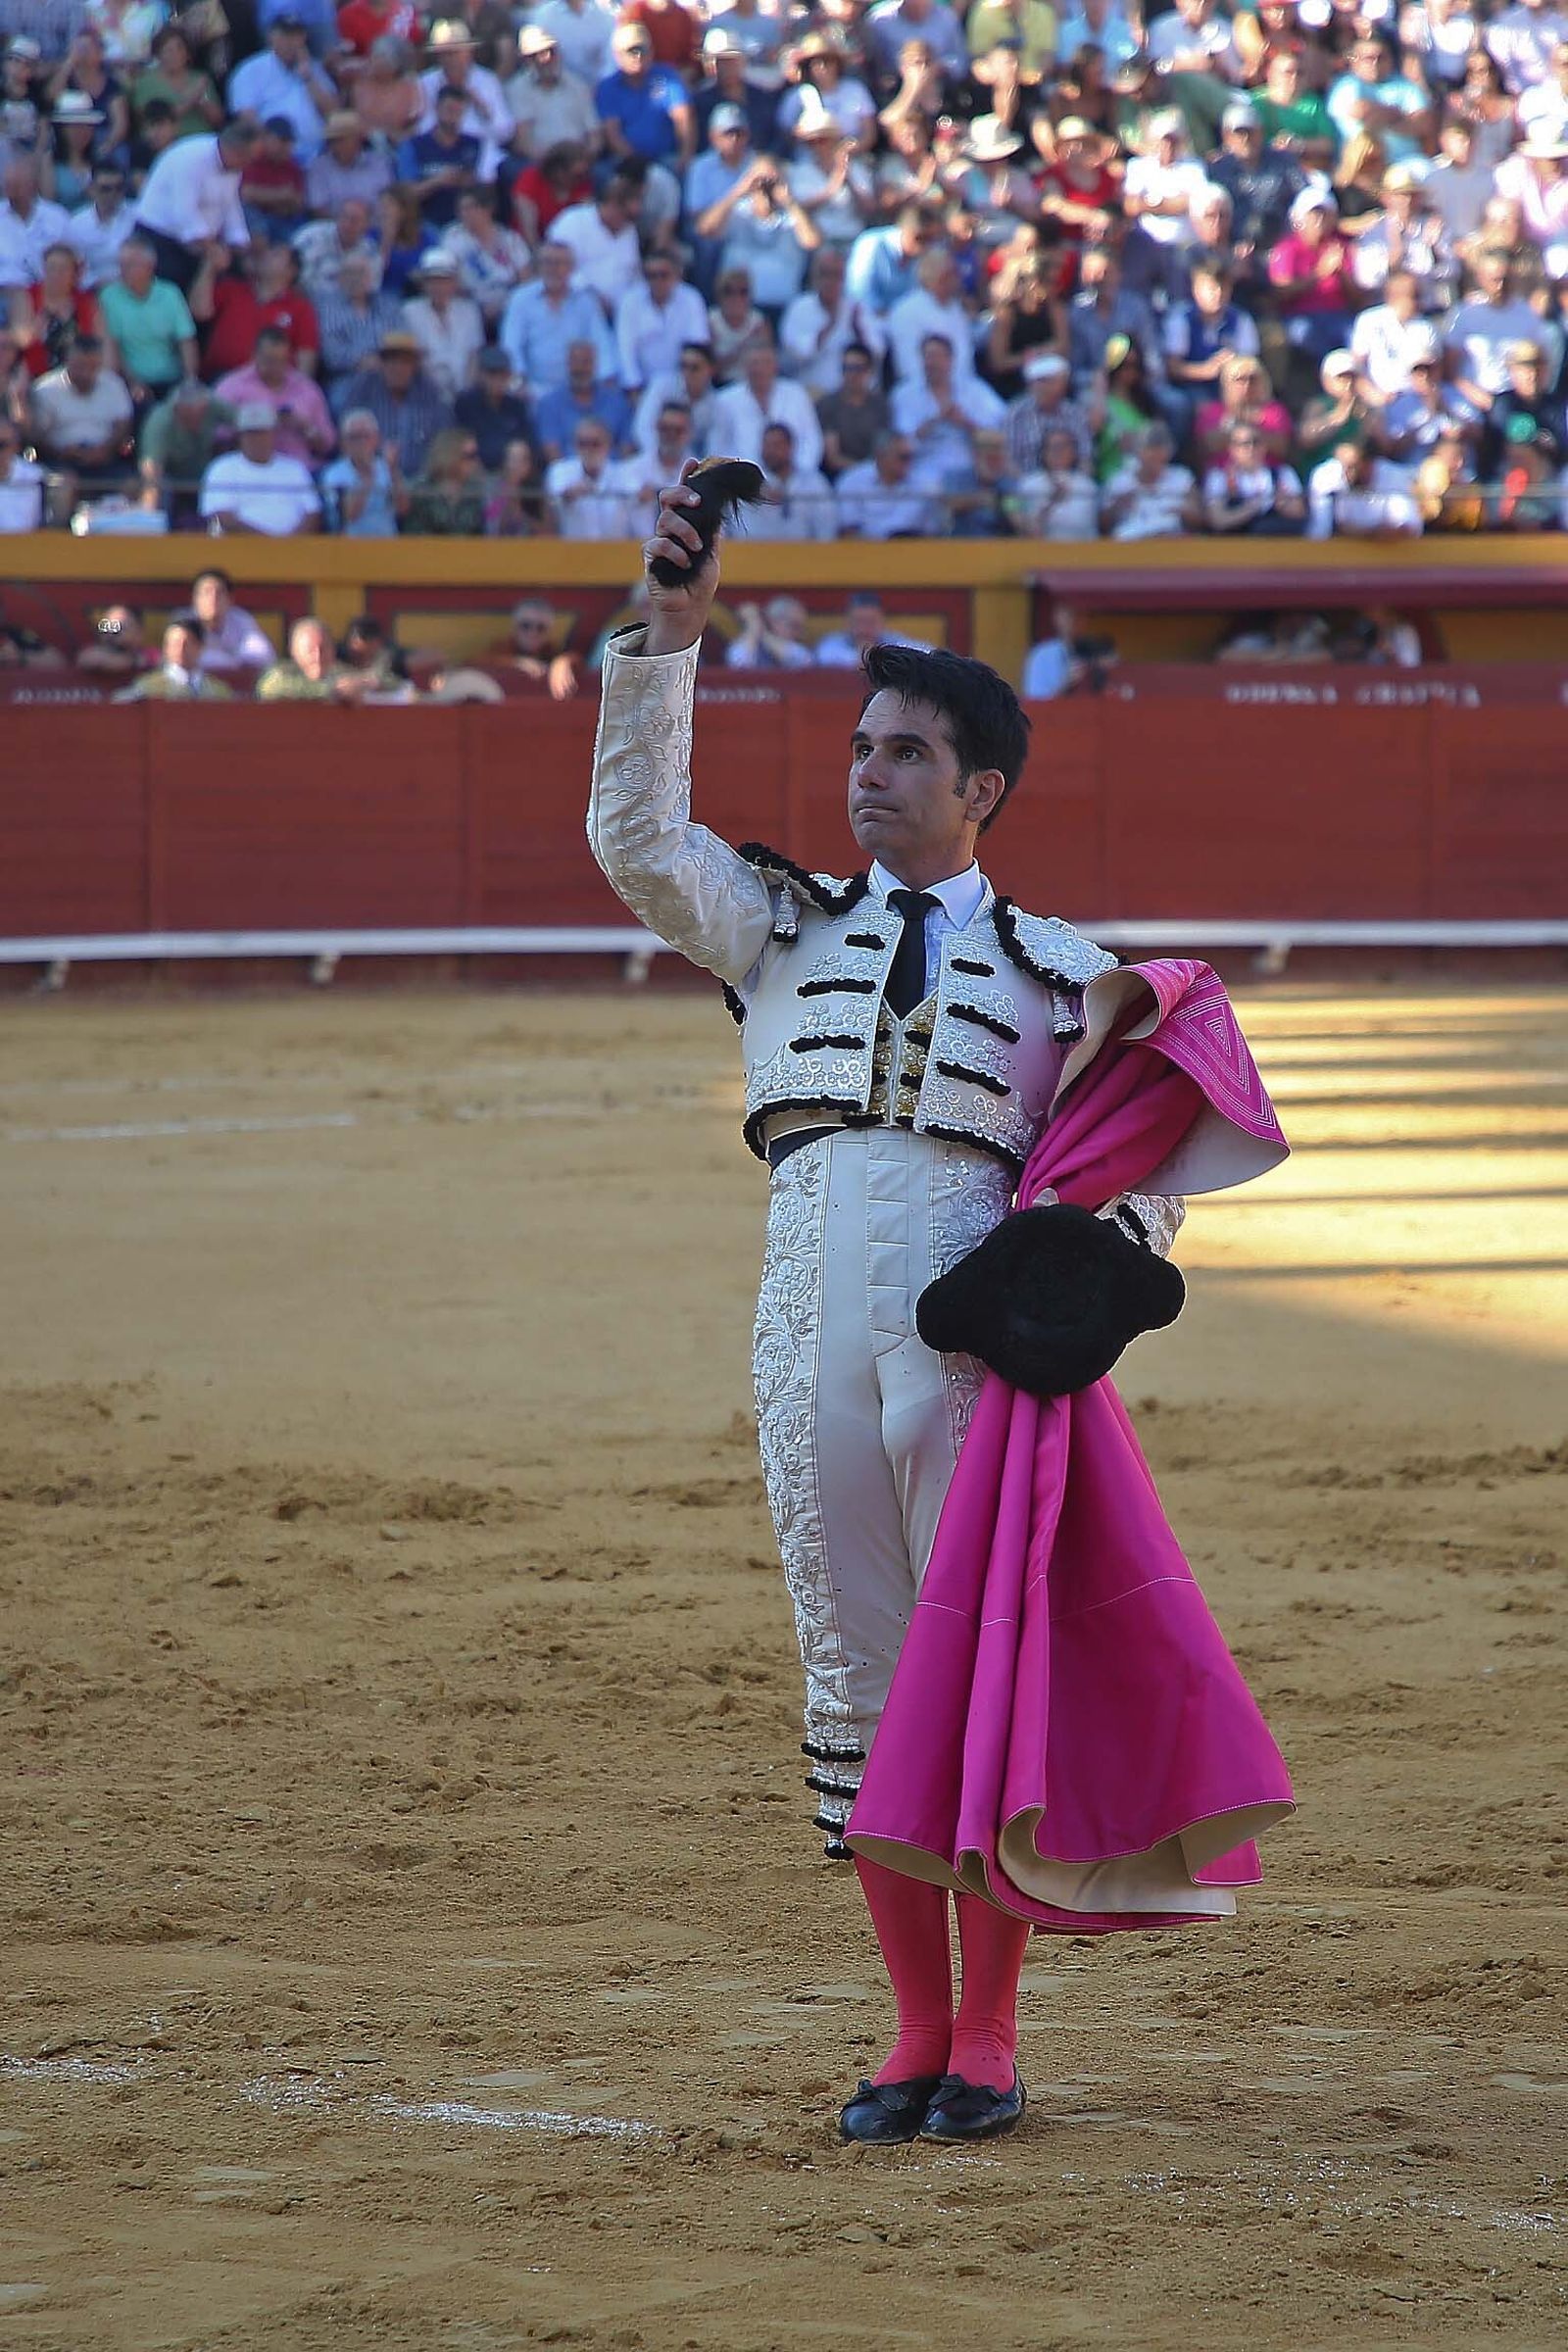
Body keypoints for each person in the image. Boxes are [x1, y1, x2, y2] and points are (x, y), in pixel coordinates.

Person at [587, 469, 1288, 2149]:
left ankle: (986, 2034)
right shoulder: (774, 929)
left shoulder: (1067, 972)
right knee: (857, 1685)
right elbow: (631, 841)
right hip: (806, 1325)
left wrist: (1093, 1268)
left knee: (975, 1684)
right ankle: (909, 2029)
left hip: (968, 1356)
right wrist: (663, 640)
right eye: (860, 751)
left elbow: (1135, 1165)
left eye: (906, 754)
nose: (871, 776)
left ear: (981, 787)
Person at [198, 398, 322, 534]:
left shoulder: (295, 468)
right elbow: (219, 517)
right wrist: (268, 545)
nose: (257, 438)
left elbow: (312, 513)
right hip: (238, 550)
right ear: (240, 435)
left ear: (273, 433)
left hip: (295, 550)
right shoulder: (221, 468)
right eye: (251, 433)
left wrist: (288, 546)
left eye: (262, 432)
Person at [114, 612, 235, 698]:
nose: (180, 649)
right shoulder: (148, 687)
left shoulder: (219, 691)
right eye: (174, 643)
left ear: (200, 647)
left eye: (187, 643)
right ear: (166, 648)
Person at [188, 565, 275, 673]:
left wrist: (229, 659)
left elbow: (264, 654)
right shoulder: (184, 621)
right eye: (207, 592)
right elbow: (182, 658)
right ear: (195, 599)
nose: (213, 599)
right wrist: (232, 658)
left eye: (219, 592)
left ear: (230, 599)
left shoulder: (241, 619)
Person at [813, 588, 924, 667]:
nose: (864, 629)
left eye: (871, 622)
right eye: (859, 622)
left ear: (882, 622)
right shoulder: (831, 644)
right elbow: (824, 657)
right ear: (847, 623)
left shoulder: (894, 641)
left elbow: (925, 653)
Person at [255, 614, 343, 698]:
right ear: (294, 651)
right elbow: (269, 689)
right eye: (310, 650)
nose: (318, 656)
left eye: (324, 648)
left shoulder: (343, 673)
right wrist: (334, 691)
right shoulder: (280, 675)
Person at [724, 591, 814, 668]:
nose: (800, 633)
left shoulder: (797, 648)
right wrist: (754, 626)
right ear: (774, 622)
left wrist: (759, 628)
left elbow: (801, 661)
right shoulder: (748, 643)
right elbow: (739, 663)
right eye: (794, 626)